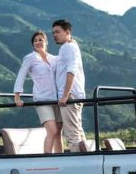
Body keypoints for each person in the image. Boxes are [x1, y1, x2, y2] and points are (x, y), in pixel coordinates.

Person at [13, 30, 63, 154]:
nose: (38, 42)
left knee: (58, 132)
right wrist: (17, 97)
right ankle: (47, 160)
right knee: (52, 130)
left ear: (46, 42)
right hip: (41, 100)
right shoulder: (30, 58)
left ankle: (60, 160)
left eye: (40, 39)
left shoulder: (54, 59)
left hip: (56, 100)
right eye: (35, 41)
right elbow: (21, 76)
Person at [52, 19, 86, 151]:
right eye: (53, 32)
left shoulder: (68, 47)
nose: (54, 35)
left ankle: (78, 166)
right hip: (74, 95)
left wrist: (65, 95)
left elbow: (71, 71)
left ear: (67, 32)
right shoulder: (71, 46)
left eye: (57, 32)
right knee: (77, 132)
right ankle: (87, 162)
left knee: (72, 136)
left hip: (70, 97)